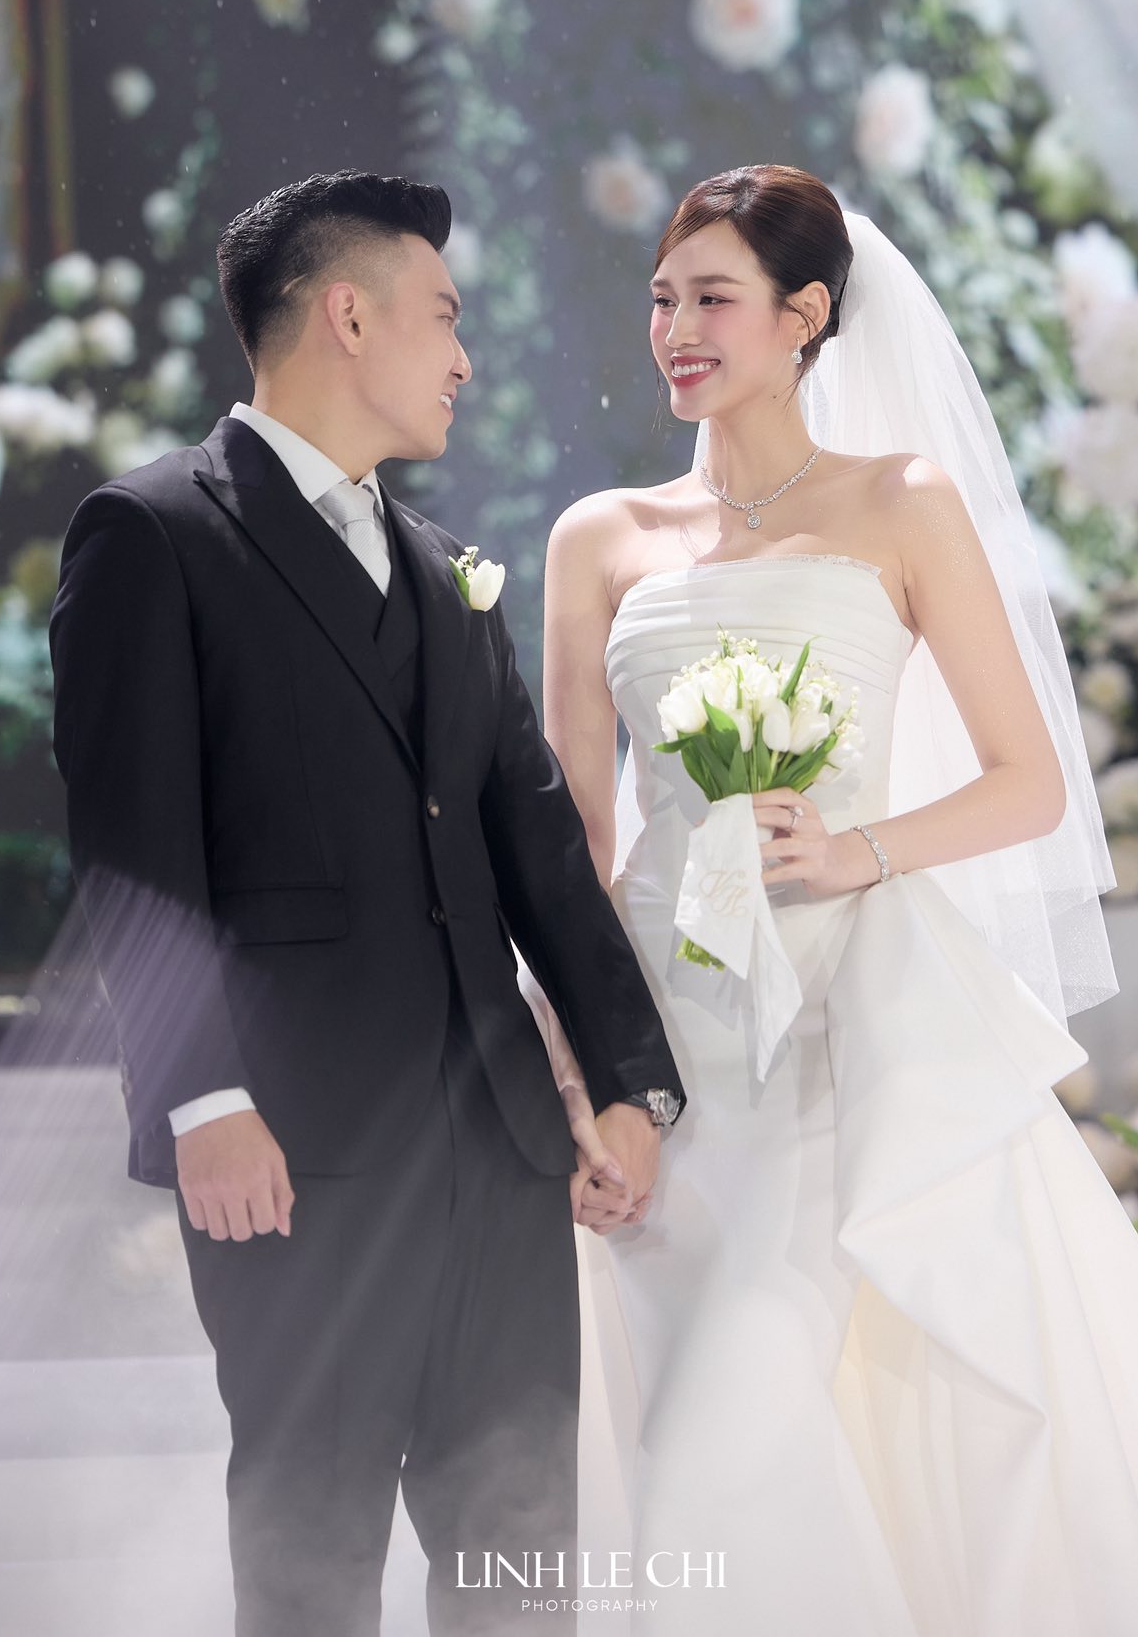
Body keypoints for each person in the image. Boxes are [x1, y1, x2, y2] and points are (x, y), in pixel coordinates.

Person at [536, 164, 1138, 1635]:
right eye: (663, 299)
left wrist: (856, 851)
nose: (675, 329)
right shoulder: (597, 537)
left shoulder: (901, 504)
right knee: (690, 1396)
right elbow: (575, 840)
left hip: (852, 1024)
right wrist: (575, 1076)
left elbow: (1026, 783)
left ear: (806, 314)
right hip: (665, 1037)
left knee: (770, 1400)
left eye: (714, 299)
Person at [48, 170, 684, 1637]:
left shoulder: (450, 572)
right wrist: (201, 1100)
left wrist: (629, 1083)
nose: (464, 358)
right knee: (311, 1555)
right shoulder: (151, 534)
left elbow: (538, 851)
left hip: (500, 1153)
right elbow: (132, 851)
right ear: (347, 315)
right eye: (443, 318)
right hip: (296, 1155)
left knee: (521, 1560)